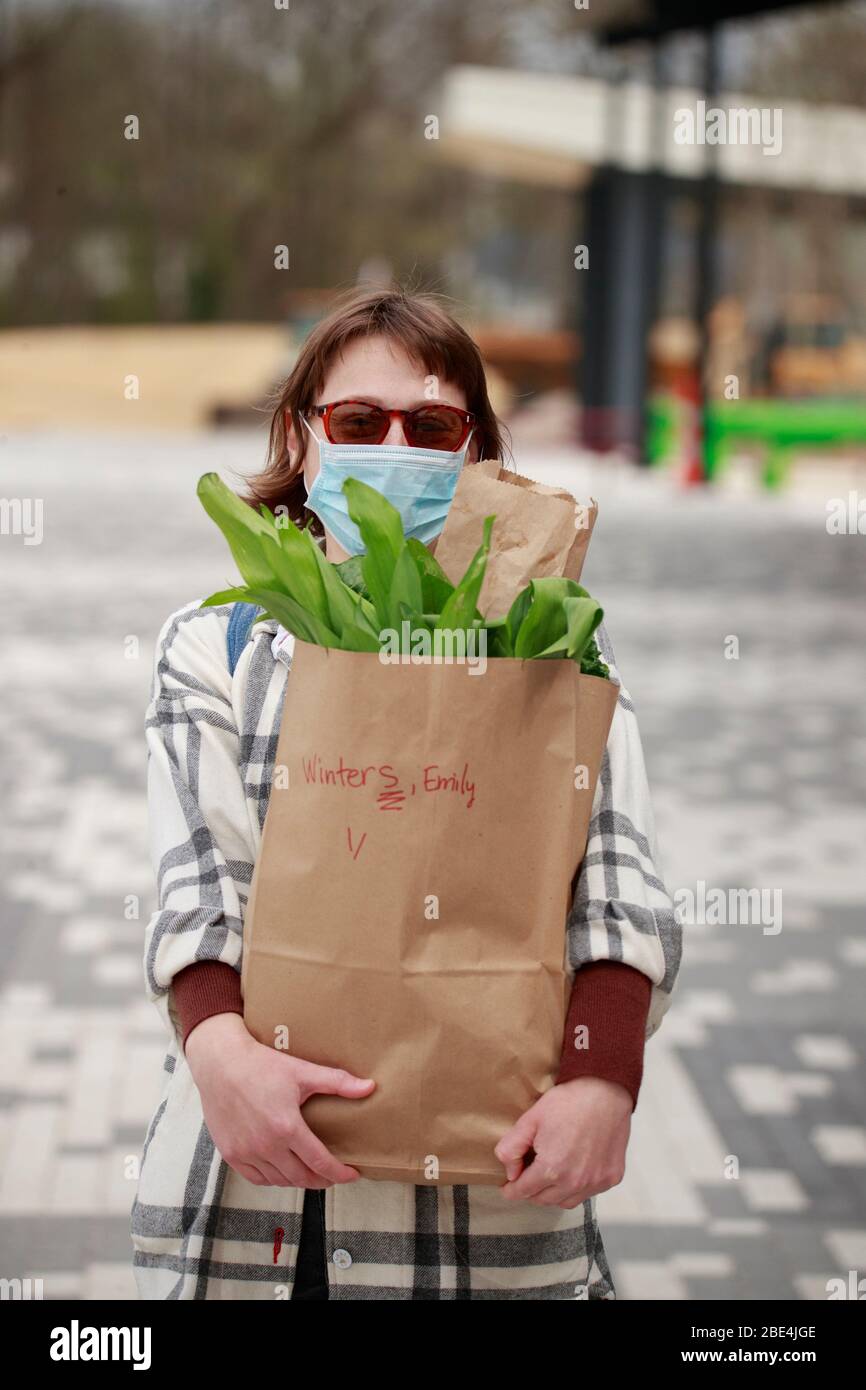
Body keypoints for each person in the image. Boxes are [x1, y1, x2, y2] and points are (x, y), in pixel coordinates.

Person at [131, 285, 681, 1300]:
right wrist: (217, 1054)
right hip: (255, 1206)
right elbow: (192, 885)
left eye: (430, 424)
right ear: (302, 443)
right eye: (355, 421)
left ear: (474, 455)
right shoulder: (216, 648)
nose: (394, 445)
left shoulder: (552, 648)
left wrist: (601, 1079)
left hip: (489, 1208)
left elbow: (619, 887)